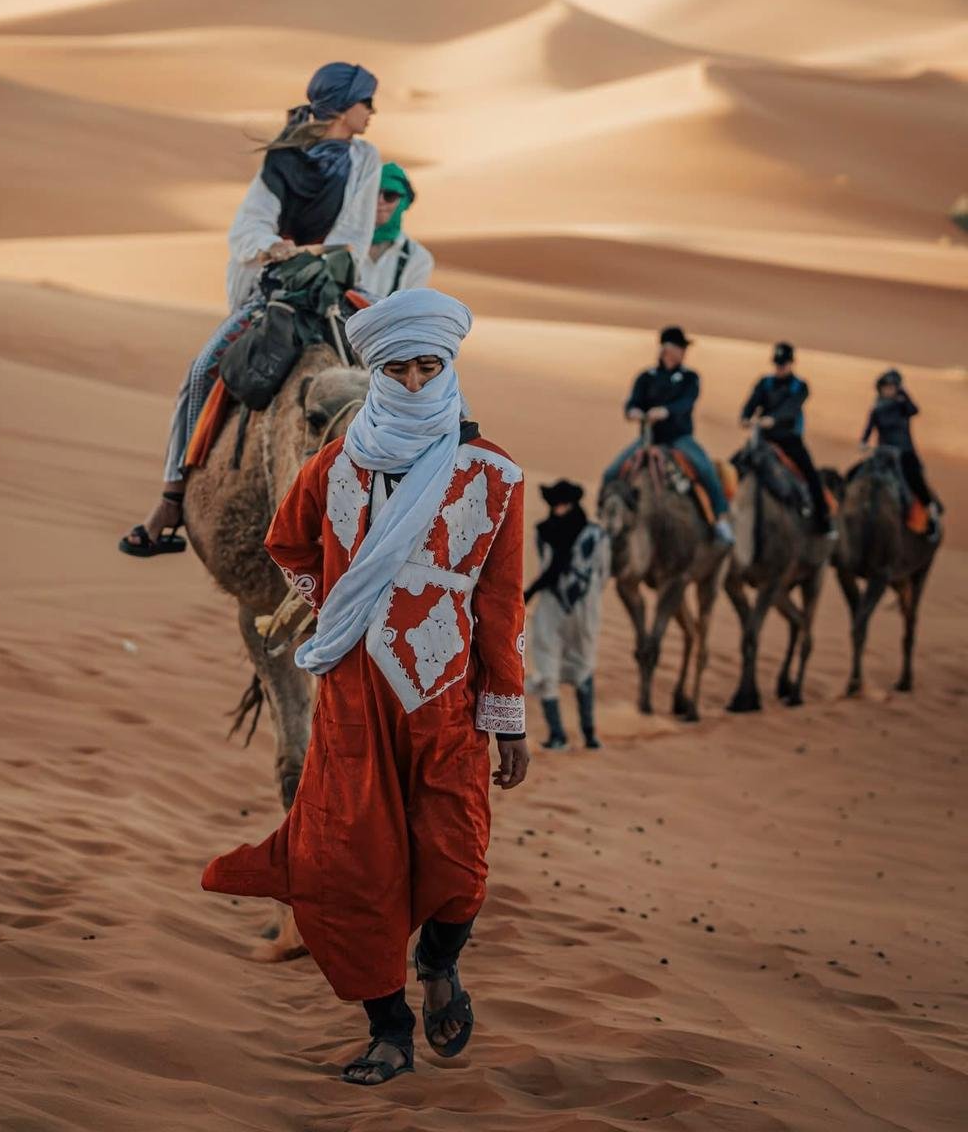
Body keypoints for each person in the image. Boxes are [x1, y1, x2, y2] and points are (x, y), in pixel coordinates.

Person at [202, 289, 529, 1087]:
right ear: (375, 372)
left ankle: (440, 964)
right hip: (351, 704)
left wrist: (509, 718)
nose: (414, 383)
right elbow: (286, 541)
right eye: (399, 369)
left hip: (444, 701)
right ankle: (388, 1029)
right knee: (352, 865)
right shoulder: (335, 468)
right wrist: (340, 605)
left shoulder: (494, 476)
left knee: (460, 860)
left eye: (429, 367)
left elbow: (500, 600)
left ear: (449, 367)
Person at [119, 62, 381, 556]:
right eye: (365, 101)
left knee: (411, 360)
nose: (372, 111)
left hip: (336, 284)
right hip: (277, 288)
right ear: (342, 106)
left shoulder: (364, 159)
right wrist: (276, 248)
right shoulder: (284, 159)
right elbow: (248, 227)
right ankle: (171, 498)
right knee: (201, 372)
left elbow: (354, 235)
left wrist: (311, 254)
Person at [602, 326, 734, 544]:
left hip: (679, 439)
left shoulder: (690, 378)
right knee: (611, 473)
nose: (683, 352)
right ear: (667, 349)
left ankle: (720, 520)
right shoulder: (646, 377)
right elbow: (633, 402)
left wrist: (666, 411)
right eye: (680, 347)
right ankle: (605, 520)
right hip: (648, 439)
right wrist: (633, 412)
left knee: (706, 470)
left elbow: (687, 402)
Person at [524, 480, 609, 751]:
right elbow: (547, 566)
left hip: (584, 608)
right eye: (555, 504)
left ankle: (589, 734)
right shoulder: (544, 532)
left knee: (584, 664)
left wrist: (586, 595)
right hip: (553, 605)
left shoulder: (596, 535)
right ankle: (557, 735)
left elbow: (602, 572)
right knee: (546, 662)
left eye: (563, 504)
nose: (559, 509)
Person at [739, 342, 832, 535]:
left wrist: (773, 419)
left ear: (791, 363)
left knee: (811, 476)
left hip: (790, 441)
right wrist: (745, 417)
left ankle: (823, 520)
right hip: (764, 440)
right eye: (778, 364)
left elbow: (791, 408)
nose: (780, 367)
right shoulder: (764, 383)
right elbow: (752, 402)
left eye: (783, 364)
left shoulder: (800, 386)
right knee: (737, 463)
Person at [860, 369, 940, 528]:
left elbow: (915, 410)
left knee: (915, 480)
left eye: (892, 387)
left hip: (905, 453)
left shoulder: (903, 407)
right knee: (858, 474)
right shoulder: (877, 409)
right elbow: (868, 429)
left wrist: (904, 394)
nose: (888, 390)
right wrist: (863, 442)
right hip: (883, 454)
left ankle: (931, 513)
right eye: (885, 387)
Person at [361, 163, 433, 298]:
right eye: (373, 193)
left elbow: (410, 306)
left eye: (390, 195)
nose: (380, 201)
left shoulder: (417, 257)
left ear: (404, 201)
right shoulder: (341, 246)